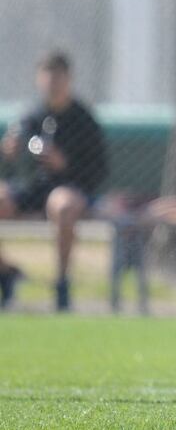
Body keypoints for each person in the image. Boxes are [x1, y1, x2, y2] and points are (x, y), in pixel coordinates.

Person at [0, 51, 108, 312]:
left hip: (71, 187)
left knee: (62, 204)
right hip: (33, 187)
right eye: (48, 79)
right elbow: (13, 166)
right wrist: (9, 153)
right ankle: (6, 272)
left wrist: (65, 164)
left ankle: (61, 282)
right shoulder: (31, 116)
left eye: (58, 79)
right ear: (39, 80)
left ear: (68, 80)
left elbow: (100, 170)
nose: (53, 85)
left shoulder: (83, 119)